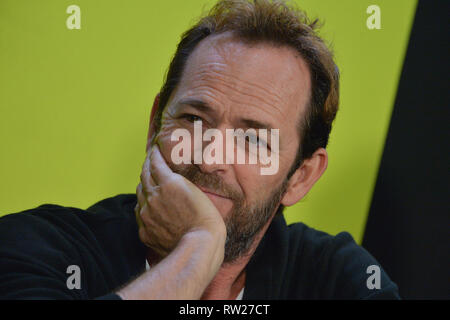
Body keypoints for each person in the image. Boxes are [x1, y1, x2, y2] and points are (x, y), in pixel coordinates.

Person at [0, 0, 400, 300]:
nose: (210, 157)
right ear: (156, 121)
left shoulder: (338, 281)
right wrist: (198, 248)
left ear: (301, 176)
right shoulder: (38, 247)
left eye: (253, 139)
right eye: (193, 119)